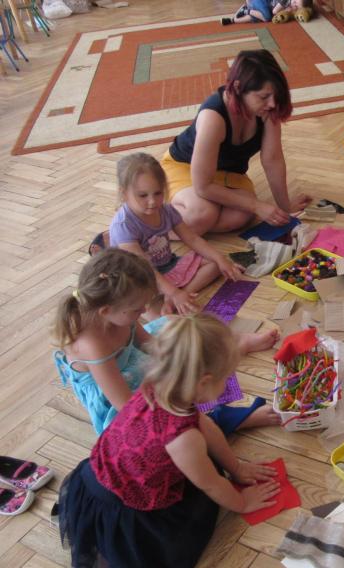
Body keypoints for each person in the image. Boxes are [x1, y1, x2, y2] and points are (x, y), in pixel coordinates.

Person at [56, 314, 282, 566]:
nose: (228, 381)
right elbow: (212, 485)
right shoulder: (184, 439)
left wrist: (237, 468)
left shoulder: (162, 387)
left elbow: (207, 427)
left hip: (103, 471)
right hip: (123, 507)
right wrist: (242, 502)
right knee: (192, 517)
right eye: (227, 376)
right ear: (204, 382)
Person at [53, 249, 281, 435]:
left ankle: (235, 344)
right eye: (137, 308)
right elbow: (127, 407)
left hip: (133, 365)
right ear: (106, 310)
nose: (145, 311)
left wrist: (186, 356)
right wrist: (178, 382)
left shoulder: (119, 314)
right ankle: (230, 421)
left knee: (176, 325)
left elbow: (147, 342)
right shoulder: (93, 345)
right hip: (122, 397)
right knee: (172, 425)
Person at [163, 49, 312, 236]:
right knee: (202, 213)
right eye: (264, 96)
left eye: (275, 95)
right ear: (238, 87)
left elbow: (272, 160)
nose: (273, 103)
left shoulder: (267, 110)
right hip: (185, 167)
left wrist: (285, 207)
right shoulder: (213, 117)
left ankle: (191, 223)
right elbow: (202, 185)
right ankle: (150, 227)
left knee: (240, 216)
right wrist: (256, 206)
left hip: (228, 174)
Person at [109, 153, 244, 316]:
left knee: (215, 264)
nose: (152, 201)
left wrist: (221, 260)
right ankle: (174, 296)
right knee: (158, 316)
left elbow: (192, 239)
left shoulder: (166, 210)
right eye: (143, 195)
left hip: (167, 265)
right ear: (124, 193)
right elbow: (144, 269)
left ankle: (178, 297)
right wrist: (173, 292)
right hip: (139, 279)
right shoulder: (124, 226)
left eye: (158, 193)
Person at [222, 0, 312, 24]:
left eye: (297, 7)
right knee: (267, 17)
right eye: (295, 2)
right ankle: (246, 10)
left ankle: (232, 20)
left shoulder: (293, 7)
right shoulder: (285, 0)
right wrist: (286, 10)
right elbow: (275, 11)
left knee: (256, 18)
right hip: (261, 1)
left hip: (264, 6)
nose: (294, 5)